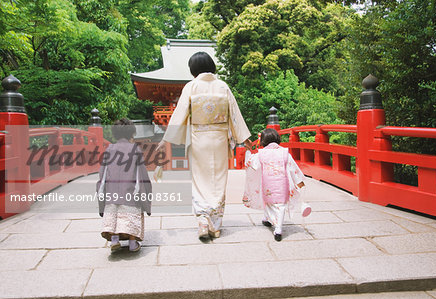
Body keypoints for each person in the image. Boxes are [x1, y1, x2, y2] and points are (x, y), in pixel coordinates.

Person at [158, 52, 251, 240]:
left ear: (193, 70)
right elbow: (234, 115)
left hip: (199, 139)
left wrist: (166, 139)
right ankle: (215, 226)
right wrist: (245, 138)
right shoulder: (223, 86)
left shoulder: (191, 86)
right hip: (219, 139)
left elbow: (180, 113)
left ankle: (202, 220)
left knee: (200, 181)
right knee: (218, 181)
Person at [243, 128, 309, 241]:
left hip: (267, 184)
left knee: (268, 202)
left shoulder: (261, 154)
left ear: (263, 141)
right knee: (281, 205)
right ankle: (278, 228)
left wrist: (249, 150)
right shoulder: (284, 153)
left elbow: (250, 163)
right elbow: (293, 168)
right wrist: (299, 182)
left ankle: (270, 220)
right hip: (282, 185)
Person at [97, 118, 152, 252]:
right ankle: (133, 244)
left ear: (115, 133)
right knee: (130, 214)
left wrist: (101, 197)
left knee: (114, 215)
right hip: (130, 193)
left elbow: (102, 174)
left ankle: (114, 240)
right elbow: (142, 175)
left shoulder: (109, 149)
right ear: (131, 134)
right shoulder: (135, 150)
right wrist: (147, 196)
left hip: (112, 193)